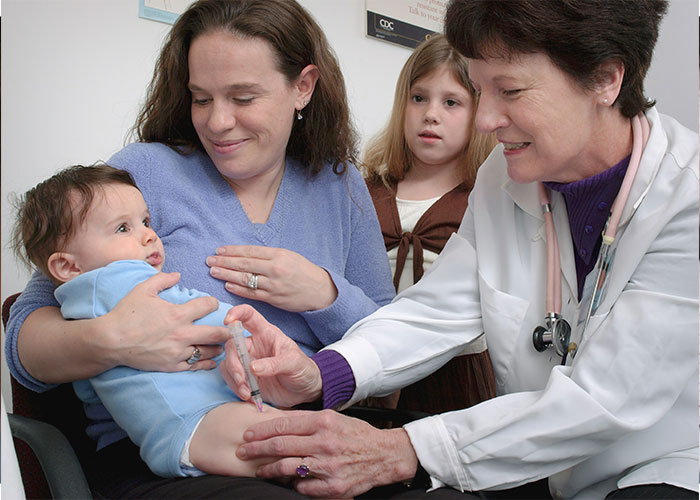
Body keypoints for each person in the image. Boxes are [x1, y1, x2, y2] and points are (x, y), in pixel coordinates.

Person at [221, 1, 700, 499]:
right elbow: (438, 308)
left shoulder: (688, 198)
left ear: (605, 80)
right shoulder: (505, 177)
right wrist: (322, 373)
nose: (486, 118)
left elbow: (607, 399)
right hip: (525, 456)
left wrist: (404, 449)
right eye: (478, 89)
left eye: (509, 90)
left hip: (657, 466)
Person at [5, 0, 394, 498]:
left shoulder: (339, 187)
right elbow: (25, 343)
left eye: (243, 96)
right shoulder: (144, 173)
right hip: (168, 452)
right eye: (201, 98)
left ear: (303, 86)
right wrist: (112, 339)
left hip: (312, 435)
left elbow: (391, 355)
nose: (218, 122)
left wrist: (324, 293)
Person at [11, 163, 289, 479]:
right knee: (300, 448)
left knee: (302, 459)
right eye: (122, 228)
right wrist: (244, 327)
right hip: (186, 421)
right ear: (68, 267)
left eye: (145, 221)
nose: (149, 235)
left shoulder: (87, 299)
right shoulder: (109, 282)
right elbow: (202, 315)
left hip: (191, 419)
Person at [362, 34, 497, 415]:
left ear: (479, 112)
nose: (430, 114)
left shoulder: (488, 198)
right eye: (419, 97)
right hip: (368, 363)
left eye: (451, 102)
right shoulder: (366, 189)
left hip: (453, 376)